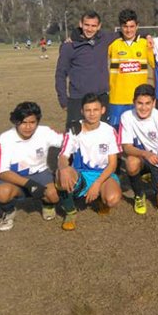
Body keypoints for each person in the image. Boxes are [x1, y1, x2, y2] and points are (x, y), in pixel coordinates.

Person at [0, 102, 63, 231]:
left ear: (37, 121)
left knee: (54, 195)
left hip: (40, 174)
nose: (28, 127)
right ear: (16, 122)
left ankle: (47, 204)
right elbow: (1, 172)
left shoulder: (44, 132)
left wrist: (80, 130)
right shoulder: (5, 139)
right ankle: (8, 211)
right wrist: (30, 184)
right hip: (14, 178)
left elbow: (65, 141)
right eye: (24, 122)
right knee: (2, 193)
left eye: (32, 122)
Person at [56, 93, 122, 231]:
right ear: (82, 111)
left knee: (112, 199)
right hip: (82, 173)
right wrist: (63, 169)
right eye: (88, 110)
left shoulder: (109, 131)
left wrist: (97, 184)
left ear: (102, 110)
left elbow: (112, 164)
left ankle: (101, 200)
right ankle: (70, 211)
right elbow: (63, 156)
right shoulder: (74, 130)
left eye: (95, 110)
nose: (92, 114)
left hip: (103, 174)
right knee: (60, 174)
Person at [119, 84, 158, 214]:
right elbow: (126, 147)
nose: (143, 108)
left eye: (147, 103)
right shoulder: (126, 117)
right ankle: (139, 194)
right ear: (134, 102)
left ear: (154, 102)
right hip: (141, 158)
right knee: (131, 162)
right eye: (140, 103)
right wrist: (145, 154)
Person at [55, 11, 114, 126]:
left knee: (101, 138)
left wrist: (146, 35)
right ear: (81, 24)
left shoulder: (104, 39)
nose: (90, 29)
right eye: (87, 25)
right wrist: (63, 100)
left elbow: (127, 33)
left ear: (99, 26)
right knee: (75, 138)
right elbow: (60, 74)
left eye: (93, 26)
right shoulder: (69, 46)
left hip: (101, 97)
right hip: (78, 100)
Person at [106, 9, 154, 129]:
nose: (128, 30)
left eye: (132, 26)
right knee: (116, 134)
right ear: (120, 27)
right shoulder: (113, 44)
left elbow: (155, 67)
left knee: (138, 135)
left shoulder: (145, 44)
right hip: (116, 99)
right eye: (125, 26)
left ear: (137, 26)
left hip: (139, 100)